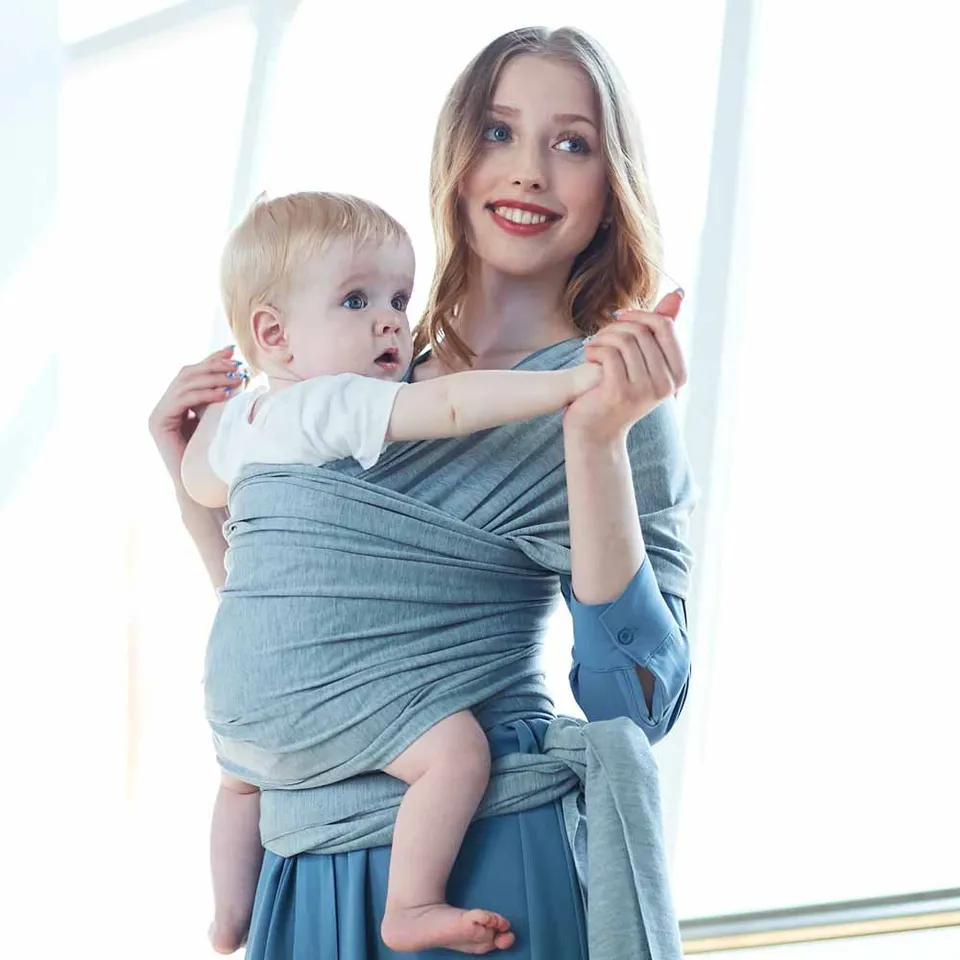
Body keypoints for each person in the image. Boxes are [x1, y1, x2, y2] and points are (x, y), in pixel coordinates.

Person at [149, 25, 696, 960]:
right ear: (454, 157)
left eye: (571, 144)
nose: (528, 171)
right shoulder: (350, 379)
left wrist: (595, 442)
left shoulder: (611, 393)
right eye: (497, 132)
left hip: (486, 859)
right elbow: (297, 625)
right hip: (304, 859)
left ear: (610, 192)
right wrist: (187, 477)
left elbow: (636, 704)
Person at [181, 190, 600, 954]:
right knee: (455, 753)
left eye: (399, 299)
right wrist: (566, 386)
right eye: (356, 300)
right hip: (324, 686)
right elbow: (449, 410)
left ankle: (227, 917)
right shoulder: (332, 405)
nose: (389, 322)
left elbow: (201, 488)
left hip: (236, 695)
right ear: (274, 335)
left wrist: (179, 427)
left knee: (240, 783)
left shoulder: (239, 426)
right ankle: (411, 903)